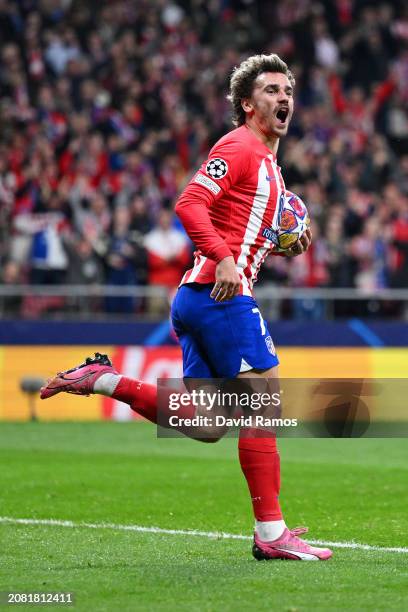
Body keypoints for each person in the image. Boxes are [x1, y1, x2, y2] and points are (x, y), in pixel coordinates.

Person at [40, 54, 332, 561]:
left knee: (208, 421)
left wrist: (284, 244)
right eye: (270, 90)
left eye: (287, 89)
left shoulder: (268, 164)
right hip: (221, 295)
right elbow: (189, 203)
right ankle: (271, 534)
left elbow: (245, 228)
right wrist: (223, 258)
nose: (283, 98)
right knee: (265, 404)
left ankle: (104, 380)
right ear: (247, 104)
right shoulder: (239, 147)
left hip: (199, 298)